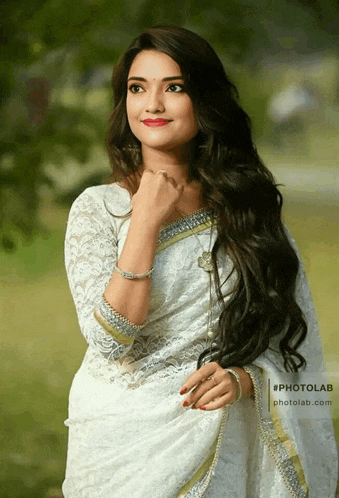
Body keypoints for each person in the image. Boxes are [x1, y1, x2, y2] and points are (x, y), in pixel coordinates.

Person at [62, 25, 338, 497]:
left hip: (224, 441)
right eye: (137, 88)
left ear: (204, 99)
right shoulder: (98, 208)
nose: (152, 105)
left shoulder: (248, 210)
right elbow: (110, 341)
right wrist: (145, 218)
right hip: (121, 451)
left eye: (174, 87)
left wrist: (247, 379)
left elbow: (295, 342)